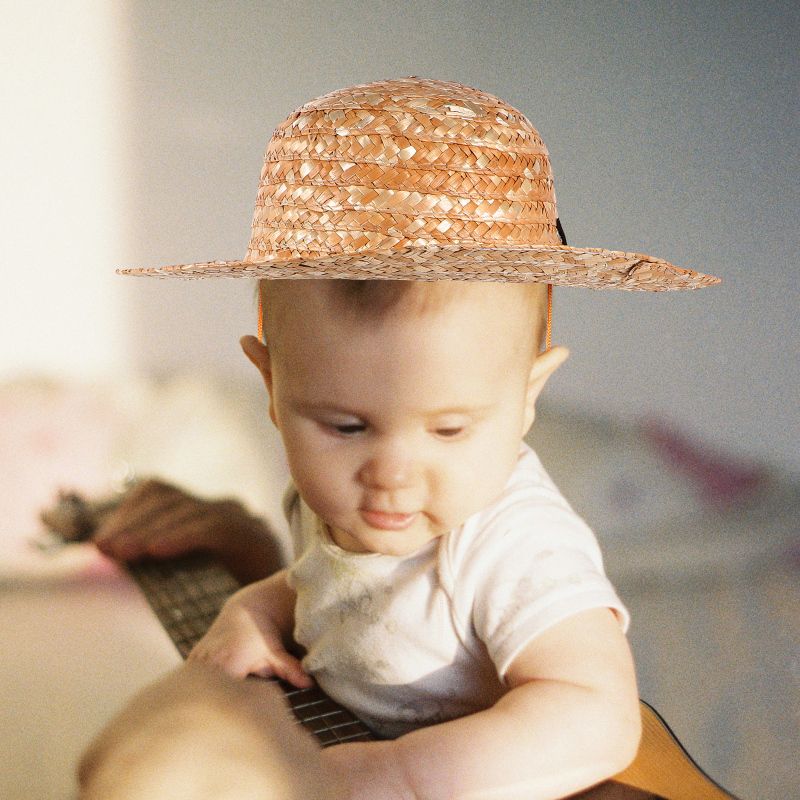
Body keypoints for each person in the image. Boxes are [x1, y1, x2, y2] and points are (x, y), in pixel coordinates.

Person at [79, 77, 720, 800]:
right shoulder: (328, 504)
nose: (391, 474)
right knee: (161, 747)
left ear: (527, 399)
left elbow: (594, 716)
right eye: (345, 426)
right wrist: (251, 610)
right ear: (270, 386)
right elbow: (338, 595)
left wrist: (397, 776)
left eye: (449, 428)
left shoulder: (514, 542)